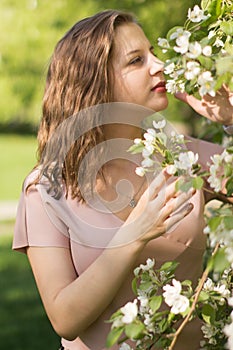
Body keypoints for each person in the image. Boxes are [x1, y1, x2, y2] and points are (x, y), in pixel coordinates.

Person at [12, 9, 233, 350]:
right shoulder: (47, 188)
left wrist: (231, 117)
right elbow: (64, 319)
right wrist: (134, 235)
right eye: (136, 60)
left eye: (153, 54)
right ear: (94, 82)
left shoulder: (179, 156)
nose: (159, 65)